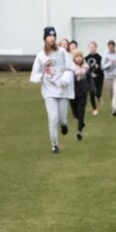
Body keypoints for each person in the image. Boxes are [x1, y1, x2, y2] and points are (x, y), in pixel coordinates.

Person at [30, 26, 75, 154]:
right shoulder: (41, 56)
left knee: (62, 118)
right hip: (49, 92)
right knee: (53, 117)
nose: (51, 38)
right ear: (44, 39)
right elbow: (34, 75)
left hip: (62, 90)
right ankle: (54, 145)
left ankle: (64, 124)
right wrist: (43, 76)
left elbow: (70, 68)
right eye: (49, 36)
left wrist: (64, 80)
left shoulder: (62, 52)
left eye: (53, 36)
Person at [70, 49, 90, 140]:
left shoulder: (86, 67)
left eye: (80, 57)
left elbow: (83, 74)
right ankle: (81, 122)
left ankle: (79, 131)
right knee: (75, 113)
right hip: (72, 92)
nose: (78, 59)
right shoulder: (70, 67)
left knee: (81, 111)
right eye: (76, 57)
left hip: (82, 92)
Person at [101, 39, 116, 115]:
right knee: (111, 92)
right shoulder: (105, 54)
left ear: (114, 47)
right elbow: (102, 66)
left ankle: (114, 108)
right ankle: (113, 103)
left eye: (112, 47)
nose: (111, 49)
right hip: (108, 75)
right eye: (109, 47)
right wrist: (110, 63)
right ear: (108, 47)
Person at [84, 41, 104, 116]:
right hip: (89, 78)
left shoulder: (100, 57)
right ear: (88, 48)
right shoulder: (86, 58)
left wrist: (99, 67)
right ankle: (94, 109)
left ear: (96, 48)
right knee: (91, 93)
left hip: (99, 77)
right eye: (90, 47)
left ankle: (99, 96)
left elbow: (103, 67)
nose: (92, 48)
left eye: (93, 47)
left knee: (98, 92)